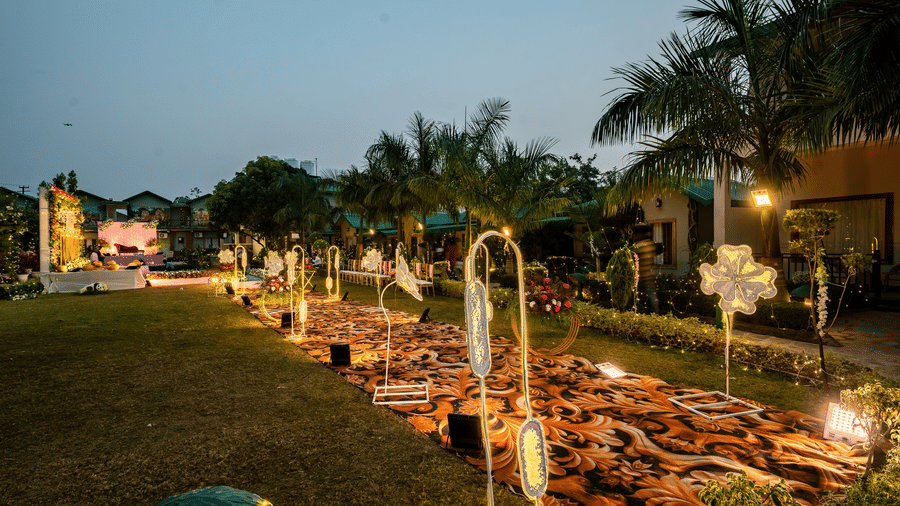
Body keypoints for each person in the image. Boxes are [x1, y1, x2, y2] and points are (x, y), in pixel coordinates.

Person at [632, 224, 661, 314]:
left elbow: (631, 253)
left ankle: (637, 313)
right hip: (649, 275)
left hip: (641, 276)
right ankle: (655, 313)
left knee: (636, 297)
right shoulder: (650, 244)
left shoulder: (638, 246)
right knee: (652, 296)